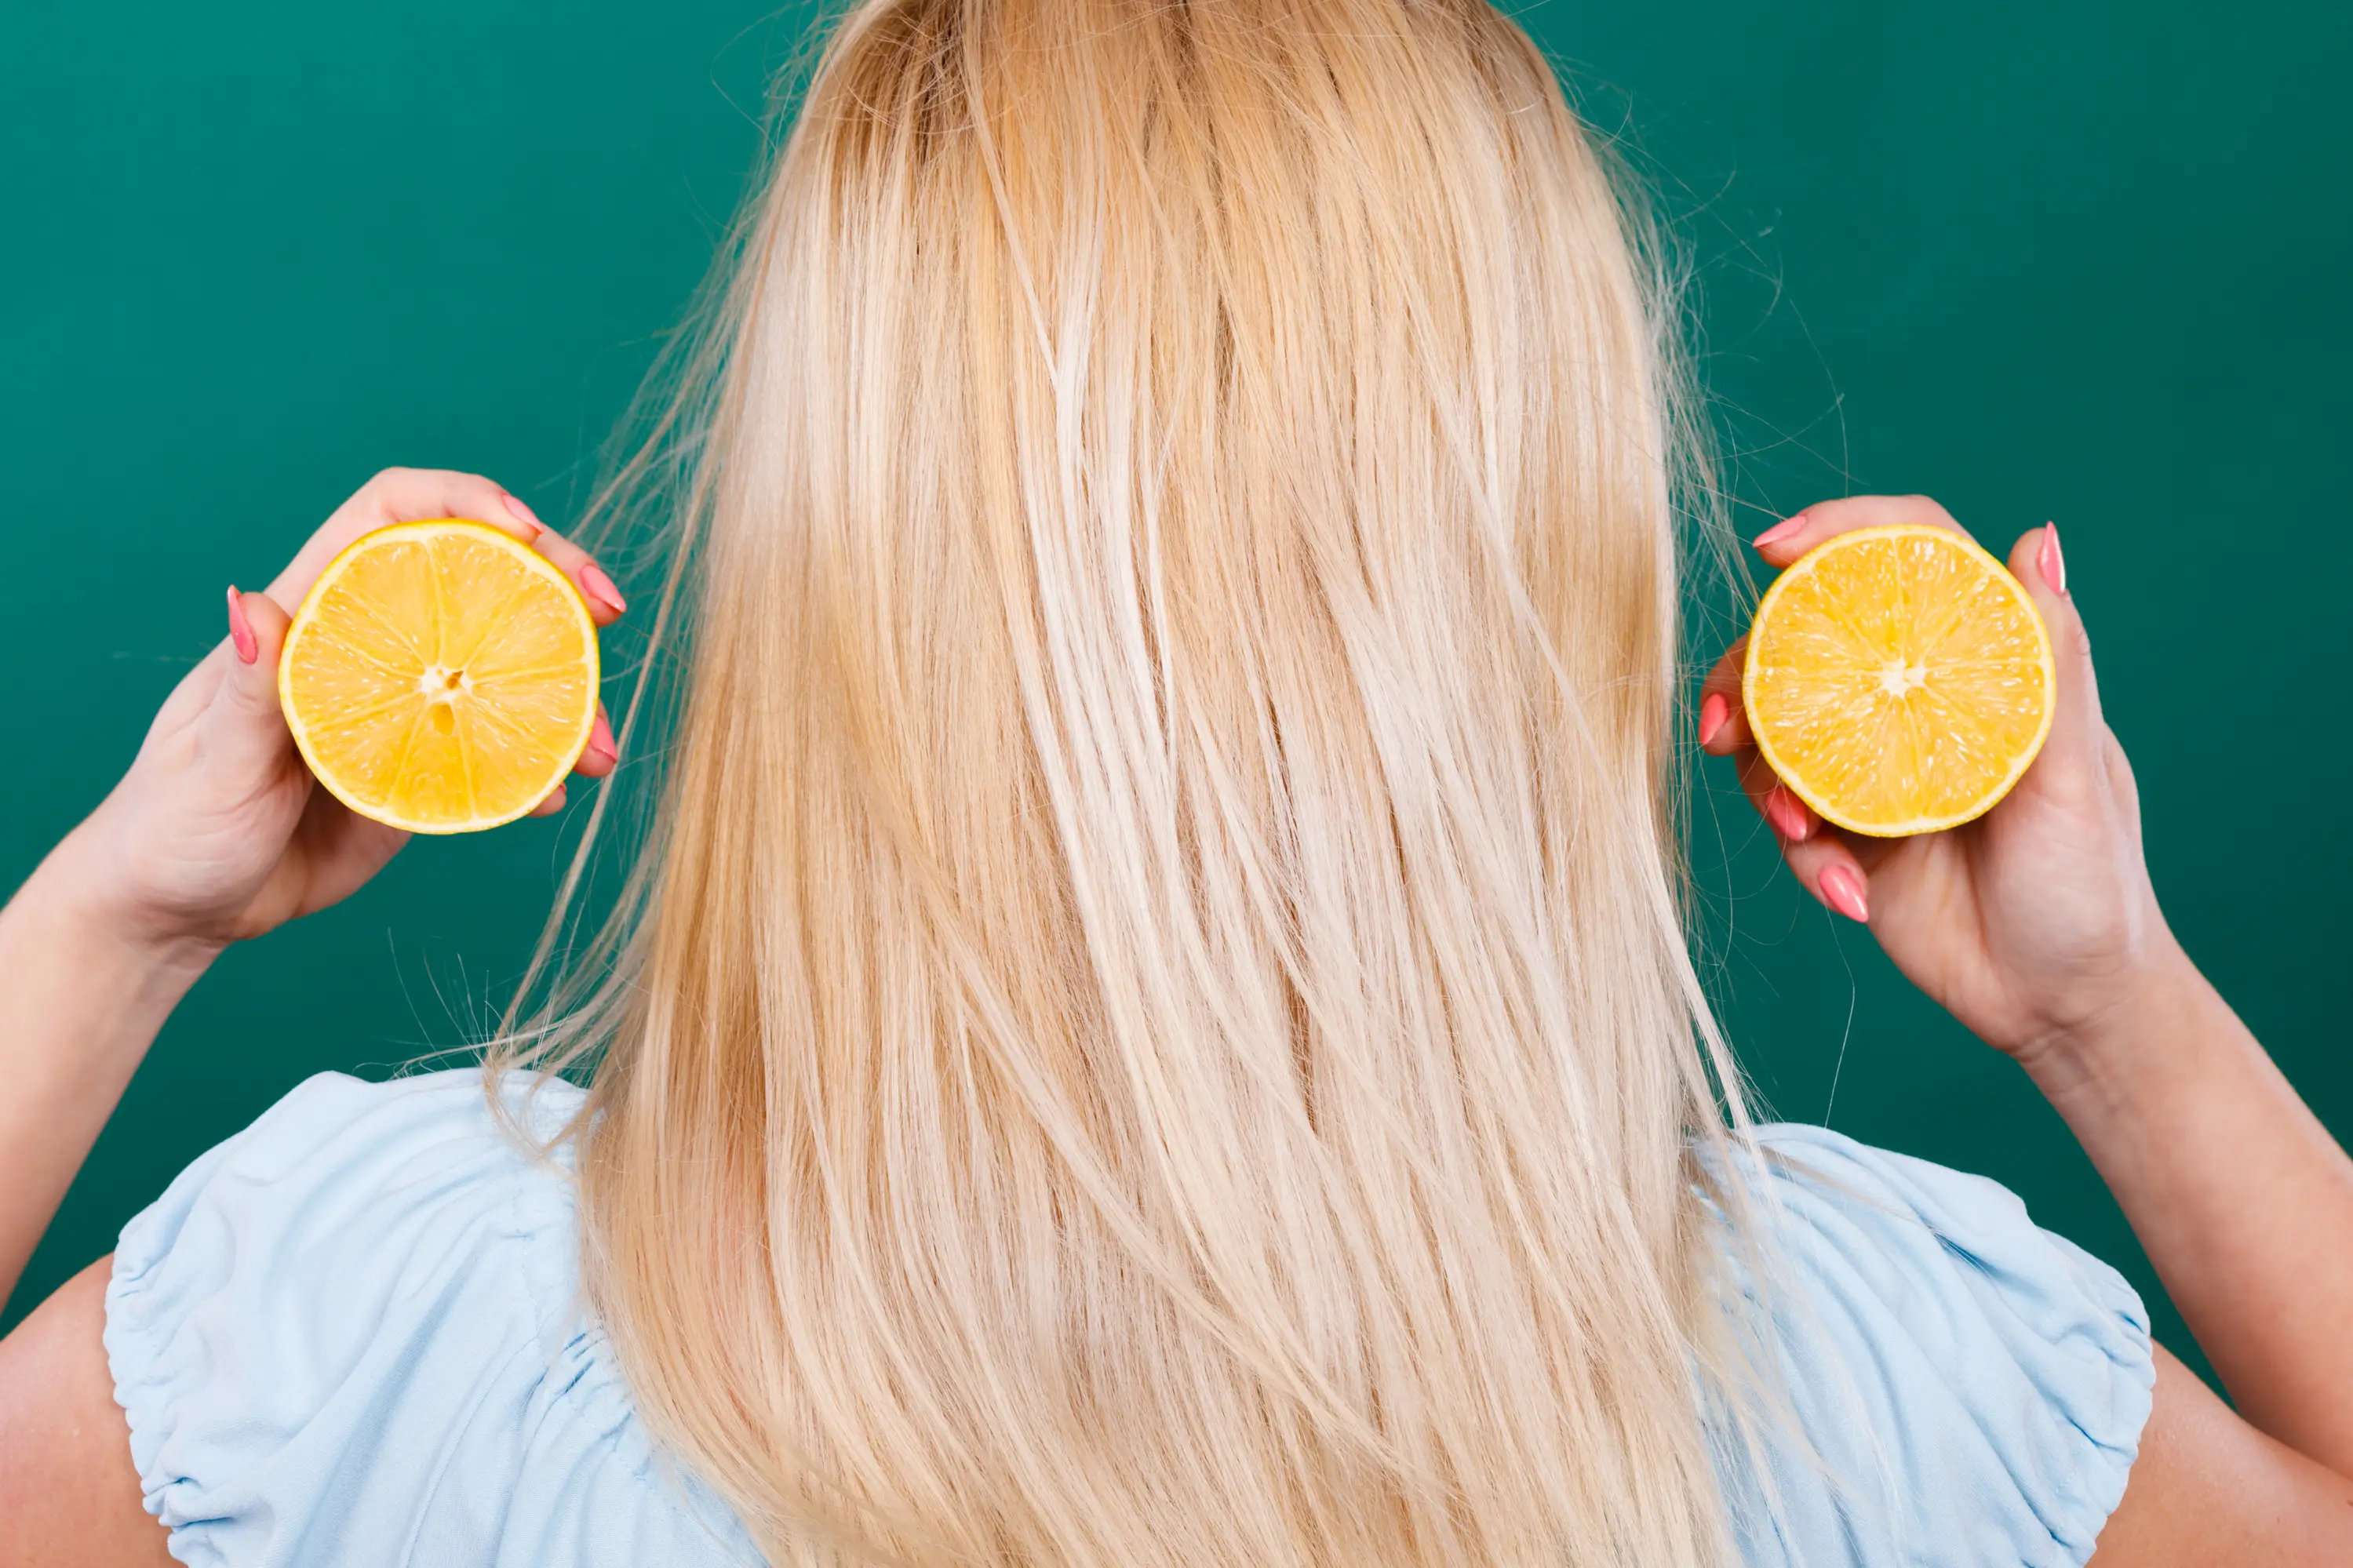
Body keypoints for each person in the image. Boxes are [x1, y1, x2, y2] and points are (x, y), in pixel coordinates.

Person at [2, 1, 2349, 1563]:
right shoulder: (1859, 1363)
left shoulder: (372, 1321)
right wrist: (2100, 1004)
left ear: (842, 559)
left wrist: (117, 918)